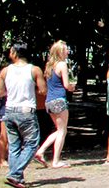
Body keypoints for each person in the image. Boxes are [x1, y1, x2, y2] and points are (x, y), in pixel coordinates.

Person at [0, 42, 47, 188]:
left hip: (10, 110)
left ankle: (17, 178)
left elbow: (0, 92)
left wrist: (12, 94)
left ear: (15, 53)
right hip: (26, 111)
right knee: (32, 144)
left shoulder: (5, 71)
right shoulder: (34, 70)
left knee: (14, 146)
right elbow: (43, 91)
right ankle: (15, 174)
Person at [35, 40, 76, 168]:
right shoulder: (62, 65)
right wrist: (72, 87)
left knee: (59, 130)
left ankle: (41, 151)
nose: (68, 52)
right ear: (60, 52)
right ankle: (56, 160)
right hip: (59, 100)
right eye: (65, 50)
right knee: (62, 131)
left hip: (49, 101)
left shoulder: (49, 65)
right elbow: (66, 84)